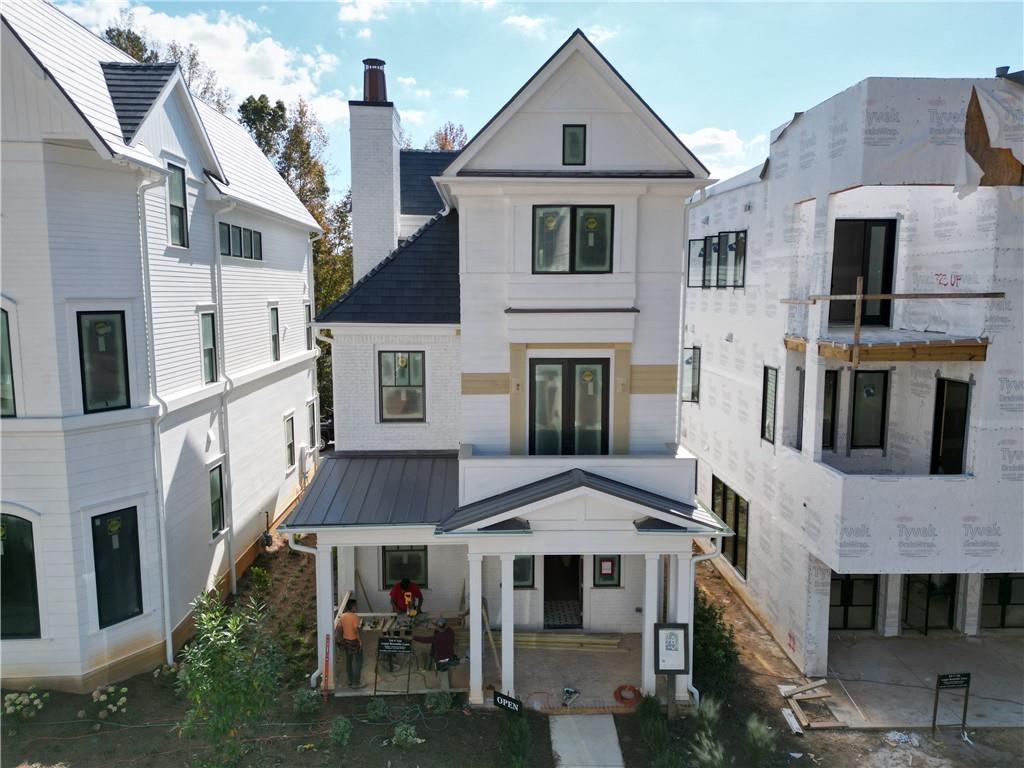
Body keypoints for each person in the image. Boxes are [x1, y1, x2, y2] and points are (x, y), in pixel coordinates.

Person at [335, 598, 366, 689]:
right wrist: (360, 642)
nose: (356, 607)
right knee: (358, 661)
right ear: (352, 607)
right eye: (355, 606)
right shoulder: (355, 617)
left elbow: (339, 628)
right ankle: (356, 682)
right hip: (354, 641)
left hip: (346, 641)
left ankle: (350, 680)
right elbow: (356, 630)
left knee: (349, 661)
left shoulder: (342, 616)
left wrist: (339, 640)